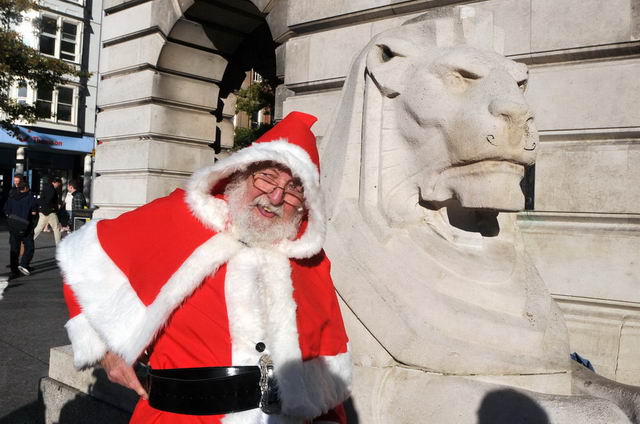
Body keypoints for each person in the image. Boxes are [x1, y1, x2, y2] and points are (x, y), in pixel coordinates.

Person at [57, 112, 352, 423]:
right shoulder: (180, 217)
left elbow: (323, 369)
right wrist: (105, 351)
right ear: (240, 172)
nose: (276, 196)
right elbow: (83, 258)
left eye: (294, 188)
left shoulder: (310, 262)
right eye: (266, 177)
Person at [4, 181, 38, 276]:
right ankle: (24, 264)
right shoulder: (31, 199)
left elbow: (6, 211)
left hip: (13, 226)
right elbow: (34, 213)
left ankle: (14, 269)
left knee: (14, 248)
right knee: (29, 247)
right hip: (26, 227)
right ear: (26, 188)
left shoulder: (11, 197)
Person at [34, 177, 62, 244]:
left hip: (43, 211)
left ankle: (28, 241)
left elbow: (42, 199)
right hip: (50, 212)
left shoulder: (45, 188)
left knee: (38, 228)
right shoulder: (52, 190)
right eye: (59, 184)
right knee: (57, 228)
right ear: (56, 183)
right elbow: (49, 200)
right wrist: (53, 208)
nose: (58, 186)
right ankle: (59, 245)